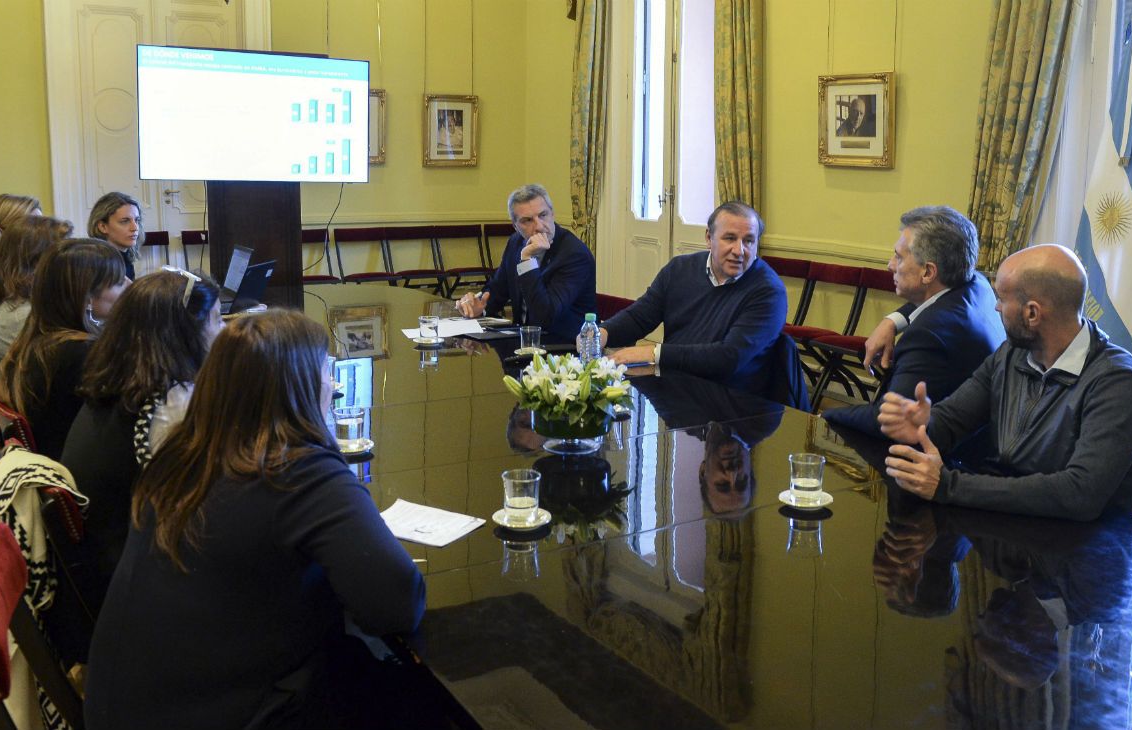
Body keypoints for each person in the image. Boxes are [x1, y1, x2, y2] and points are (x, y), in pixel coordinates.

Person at [85, 310, 425, 729]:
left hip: (128, 708)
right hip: (229, 714)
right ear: (298, 386)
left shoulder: (182, 454)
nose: (333, 386)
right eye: (327, 372)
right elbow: (397, 604)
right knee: (409, 691)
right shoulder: (297, 472)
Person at [879, 244, 1132, 521]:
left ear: (1032, 313)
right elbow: (953, 418)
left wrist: (948, 485)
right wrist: (923, 425)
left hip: (1081, 549)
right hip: (1008, 523)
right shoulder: (1011, 354)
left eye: (1001, 298)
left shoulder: (1118, 382)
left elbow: (1079, 494)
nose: (996, 306)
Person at [61, 268, 222, 605]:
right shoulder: (171, 403)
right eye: (217, 320)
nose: (224, 332)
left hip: (108, 562)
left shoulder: (123, 382)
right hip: (140, 585)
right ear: (185, 332)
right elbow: (212, 495)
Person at [823, 206, 1005, 436]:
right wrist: (892, 321)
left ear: (928, 272)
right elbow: (933, 299)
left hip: (944, 456)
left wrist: (825, 416)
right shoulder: (977, 285)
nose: (890, 265)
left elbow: (893, 422)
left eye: (898, 257)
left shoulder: (928, 336)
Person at [599, 201, 788, 392]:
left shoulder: (769, 291)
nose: (739, 251)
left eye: (748, 241)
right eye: (730, 238)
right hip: (674, 389)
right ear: (708, 238)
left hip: (733, 403)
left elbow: (729, 358)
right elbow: (639, 318)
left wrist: (653, 352)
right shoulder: (679, 269)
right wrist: (601, 334)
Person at [0, 238, 128, 459]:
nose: (130, 286)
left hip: (57, 462)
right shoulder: (79, 353)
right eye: (119, 282)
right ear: (87, 297)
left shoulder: (42, 339)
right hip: (78, 475)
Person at [454, 184, 596, 340]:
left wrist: (527, 260)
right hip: (521, 341)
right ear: (515, 226)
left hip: (562, 347)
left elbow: (546, 316)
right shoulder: (516, 243)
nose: (539, 226)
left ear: (553, 214)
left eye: (543, 215)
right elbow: (497, 290)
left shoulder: (574, 254)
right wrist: (478, 306)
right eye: (527, 220)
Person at [0, 215, 74, 369]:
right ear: (37, 262)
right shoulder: (24, 315)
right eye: (64, 254)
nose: (71, 261)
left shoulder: (17, 301)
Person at [88, 191, 143, 280]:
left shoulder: (125, 257)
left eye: (137, 220)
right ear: (103, 227)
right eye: (125, 221)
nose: (135, 228)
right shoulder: (100, 265)